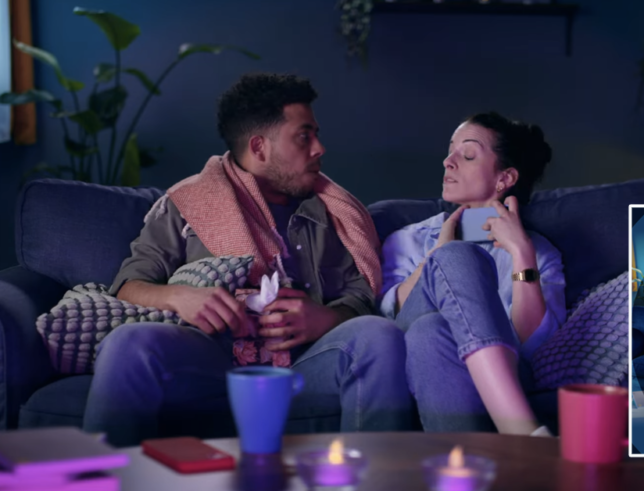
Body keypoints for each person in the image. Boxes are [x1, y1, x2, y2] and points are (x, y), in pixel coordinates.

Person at [82, 73, 415, 446]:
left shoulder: (335, 212)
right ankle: (104, 475)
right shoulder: (186, 204)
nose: (319, 148)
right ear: (259, 147)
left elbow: (361, 297)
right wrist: (178, 296)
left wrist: (325, 318)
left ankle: (376, 474)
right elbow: (127, 286)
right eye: (304, 136)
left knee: (379, 336)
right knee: (128, 342)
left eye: (316, 134)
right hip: (212, 360)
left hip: (306, 362)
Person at [380, 111, 566, 436]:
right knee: (454, 259)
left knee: (430, 330)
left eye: (467, 155)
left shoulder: (538, 253)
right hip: (407, 359)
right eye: (450, 151)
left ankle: (466, 464)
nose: (447, 162)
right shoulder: (408, 239)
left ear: (504, 179)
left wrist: (521, 253)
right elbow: (389, 319)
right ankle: (523, 432)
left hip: (499, 373)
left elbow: (532, 345)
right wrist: (437, 258)